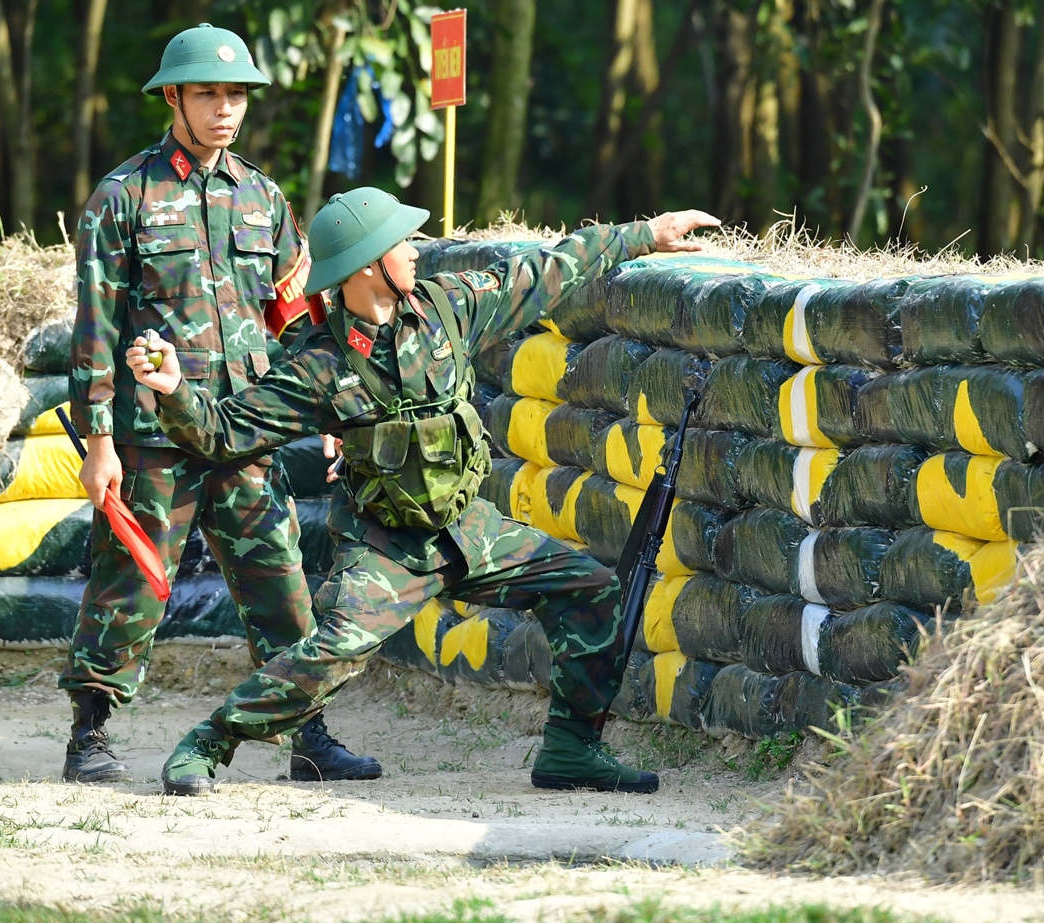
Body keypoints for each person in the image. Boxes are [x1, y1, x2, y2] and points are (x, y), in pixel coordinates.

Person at [125, 188, 720, 795]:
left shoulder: (447, 307)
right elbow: (225, 433)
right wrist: (173, 390)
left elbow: (546, 270)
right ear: (366, 265)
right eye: (400, 243)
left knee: (590, 591)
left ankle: (571, 750)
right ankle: (209, 742)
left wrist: (647, 232)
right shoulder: (319, 365)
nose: (414, 252)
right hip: (386, 546)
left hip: (470, 529)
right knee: (335, 653)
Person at [59, 24, 378, 785]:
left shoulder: (264, 198)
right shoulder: (123, 197)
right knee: (128, 586)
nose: (225, 108)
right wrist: (99, 442)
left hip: (245, 432)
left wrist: (332, 415)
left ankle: (308, 736)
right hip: (153, 437)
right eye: (208, 92)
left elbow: (299, 321)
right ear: (173, 96)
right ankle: (89, 738)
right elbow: (94, 328)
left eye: (235, 94)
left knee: (282, 587)